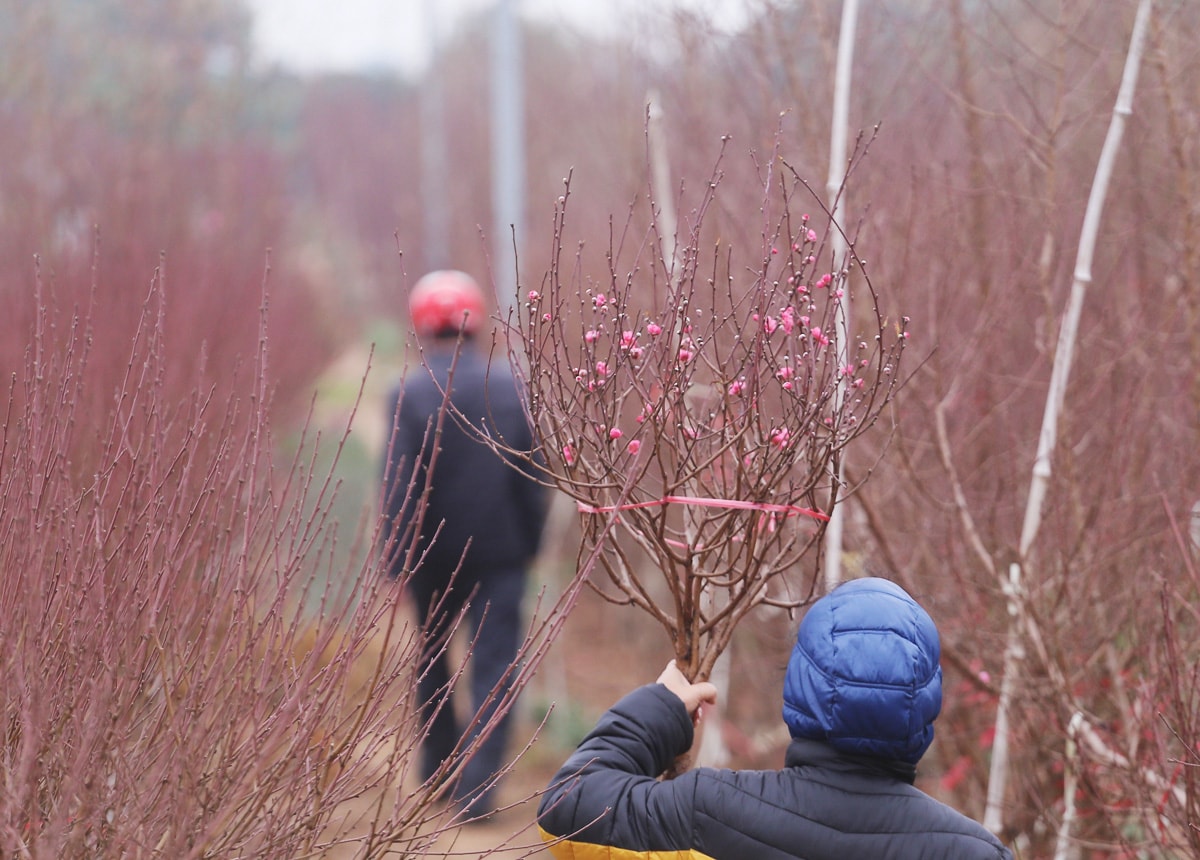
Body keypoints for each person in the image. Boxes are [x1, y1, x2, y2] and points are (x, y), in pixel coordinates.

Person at [537, 577, 1013, 859]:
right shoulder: (973, 852)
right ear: (926, 706)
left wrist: (658, 713)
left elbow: (567, 808)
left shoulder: (706, 811)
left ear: (800, 689)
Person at [380, 269, 548, 819]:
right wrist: (531, 543)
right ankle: (478, 794)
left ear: (422, 324)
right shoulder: (511, 386)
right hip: (501, 553)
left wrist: (397, 560)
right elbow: (533, 475)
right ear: (476, 320)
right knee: (495, 665)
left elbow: (398, 479)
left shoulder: (408, 393)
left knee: (431, 657)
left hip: (431, 557)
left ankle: (438, 769)